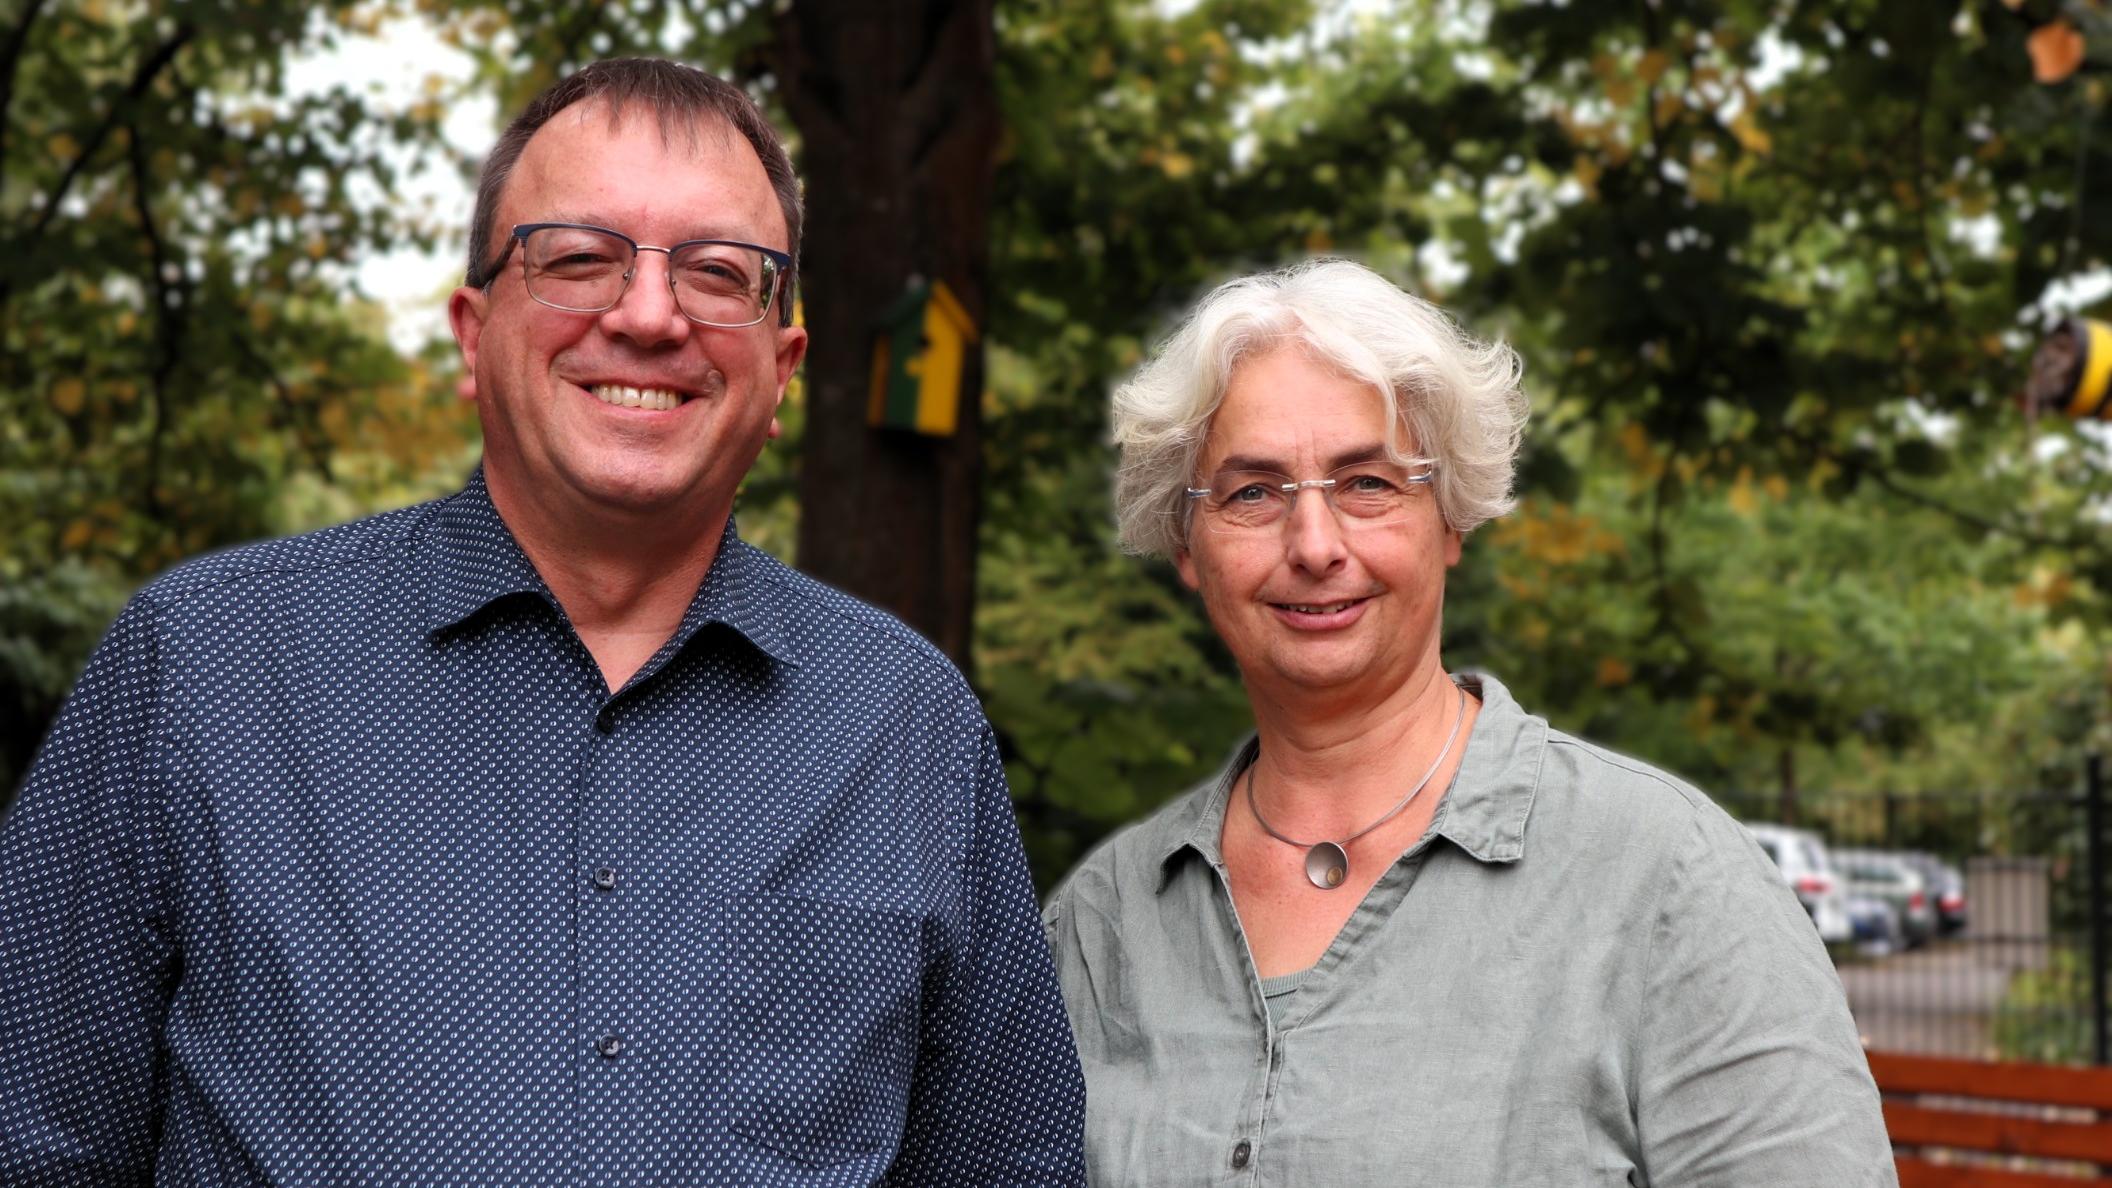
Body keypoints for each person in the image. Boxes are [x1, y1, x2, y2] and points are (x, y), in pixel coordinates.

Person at [0, 58, 1085, 1185]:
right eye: (577, 259)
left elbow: (1009, 1166)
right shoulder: (206, 665)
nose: (649, 315)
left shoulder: (908, 727)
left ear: (782, 370)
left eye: (719, 273)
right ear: (473, 335)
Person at [1043, 260, 1895, 1185]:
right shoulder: (1099, 926)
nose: (1315, 545)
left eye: (1367, 482)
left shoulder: (1667, 879)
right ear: (1186, 545)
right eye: (1252, 492)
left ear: (1450, 518)